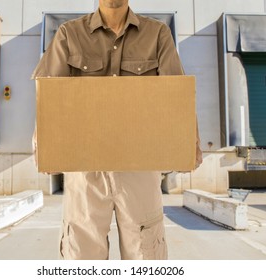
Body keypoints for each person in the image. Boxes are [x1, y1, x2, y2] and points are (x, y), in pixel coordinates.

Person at [32, 0, 202, 260]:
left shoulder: (157, 34)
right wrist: (44, 146)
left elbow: (176, 95)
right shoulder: (69, 33)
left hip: (140, 168)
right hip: (85, 168)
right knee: (81, 258)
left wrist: (189, 144)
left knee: (146, 258)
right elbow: (49, 94)